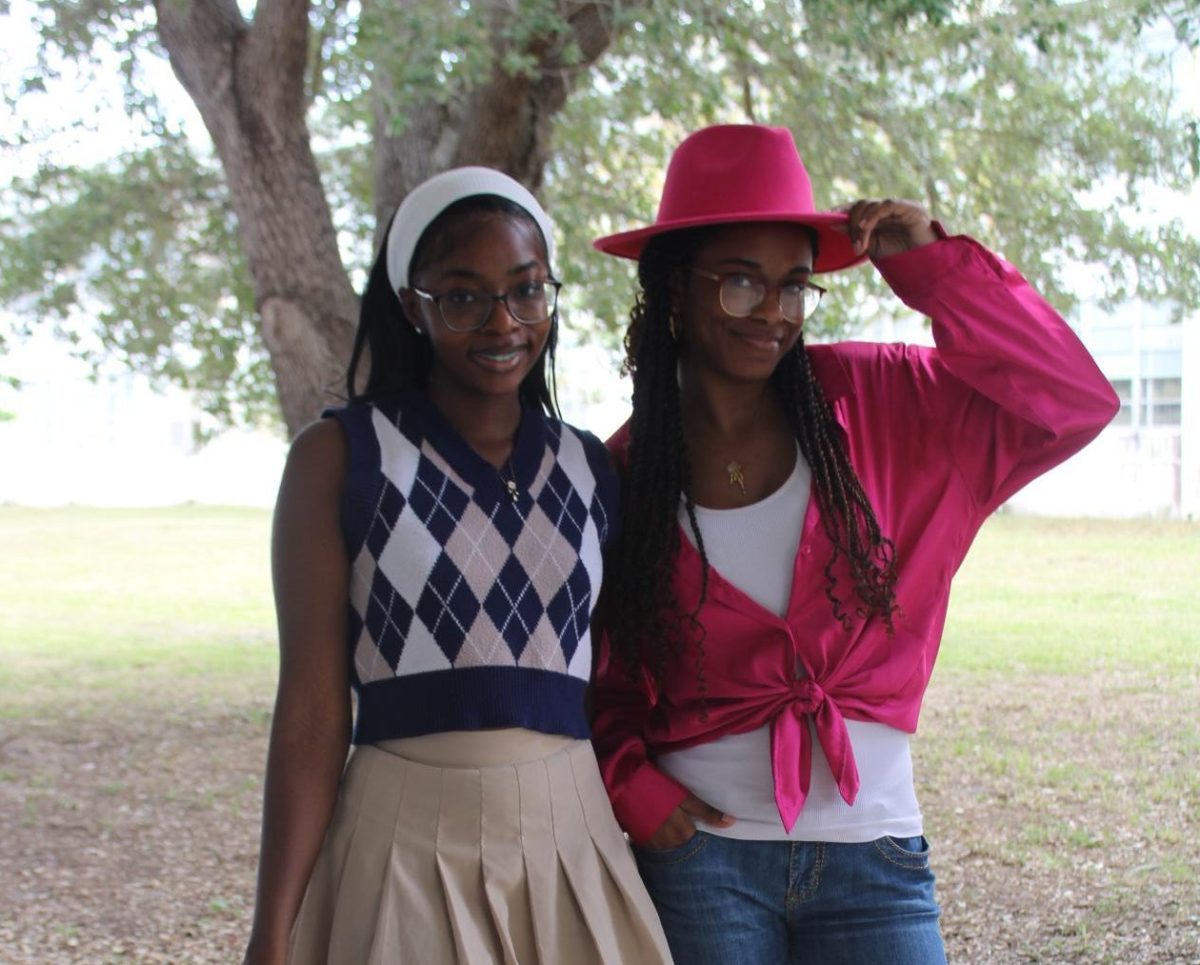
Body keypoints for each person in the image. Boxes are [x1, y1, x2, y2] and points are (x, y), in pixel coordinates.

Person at [589, 124, 1119, 964]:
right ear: (674, 292)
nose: (772, 311)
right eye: (738, 283)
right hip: (700, 862)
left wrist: (934, 268)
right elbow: (590, 672)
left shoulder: (885, 401)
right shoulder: (621, 472)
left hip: (876, 857)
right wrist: (631, 785)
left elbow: (1069, 399)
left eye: (794, 286)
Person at [242, 166, 674, 965]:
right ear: (413, 305)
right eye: (464, 296)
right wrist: (272, 931)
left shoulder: (589, 468)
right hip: (403, 838)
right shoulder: (340, 458)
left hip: (568, 835)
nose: (503, 321)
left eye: (527, 290)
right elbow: (309, 710)